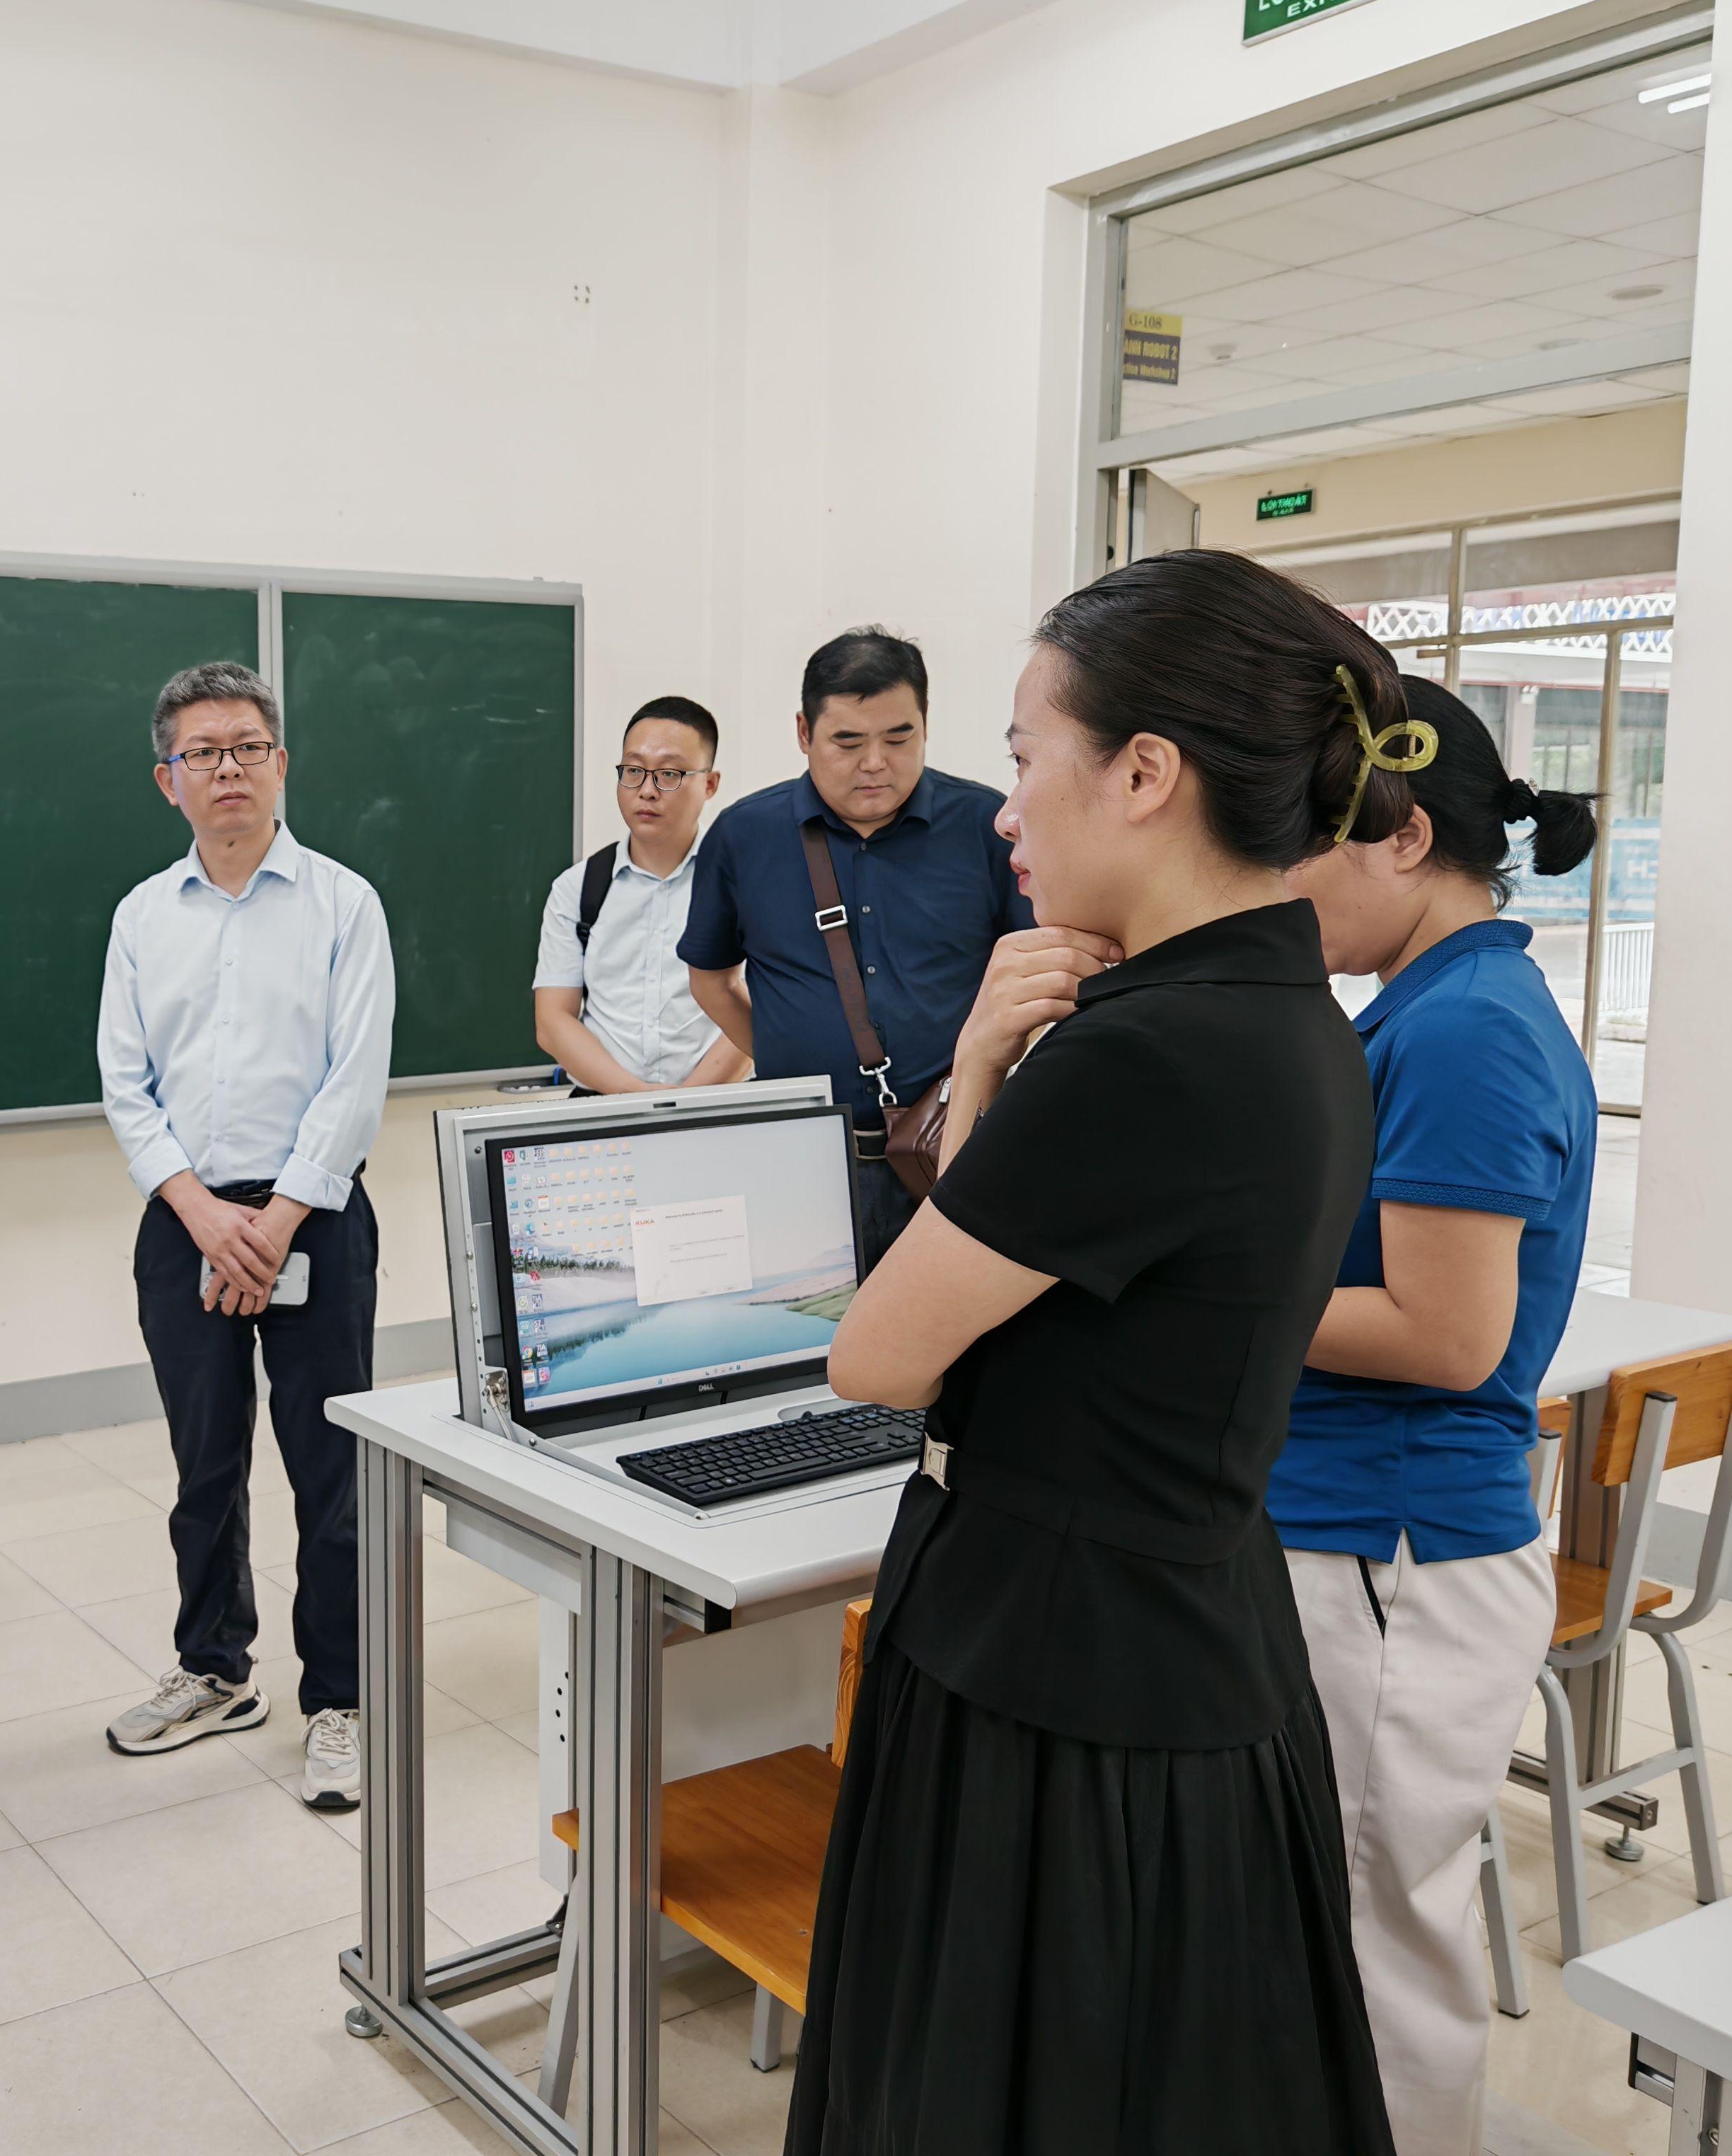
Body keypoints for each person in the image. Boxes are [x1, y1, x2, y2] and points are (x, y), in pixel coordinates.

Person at [788, 549, 1409, 2156]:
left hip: (1056, 1677)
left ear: (1142, 772)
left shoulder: (1147, 1052)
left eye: (1022, 756)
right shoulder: (1289, 1016)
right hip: (1184, 1628)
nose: (1005, 810)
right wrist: (998, 1061)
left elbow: (878, 1353)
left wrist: (988, 1065)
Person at [1274, 677, 1599, 2156]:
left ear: (1401, 837)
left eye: (1301, 850)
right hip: (1361, 1537)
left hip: (1392, 1549)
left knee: (1376, 1948)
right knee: (1340, 1929)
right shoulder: (1424, 1007)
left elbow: (1448, 1335)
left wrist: (1209, 1290)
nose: (1282, 886)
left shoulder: (1466, 1027)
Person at [96, 661, 395, 1809]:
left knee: (332, 1470)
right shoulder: (141, 916)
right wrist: (204, 1215)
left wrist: (273, 1224)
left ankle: (342, 1698)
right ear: (165, 779)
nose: (228, 768)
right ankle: (216, 1668)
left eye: (248, 747)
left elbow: (354, 1081)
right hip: (187, 1219)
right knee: (204, 1464)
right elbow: (126, 1087)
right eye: (203, 752)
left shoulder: (343, 904)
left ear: (282, 764)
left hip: (312, 1216)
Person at [679, 628, 1028, 1266]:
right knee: (810, 1319)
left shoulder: (989, 826)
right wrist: (789, 1063)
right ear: (803, 733)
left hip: (952, 1153)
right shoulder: (744, 835)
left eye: (899, 738)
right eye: (848, 742)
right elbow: (711, 981)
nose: (875, 763)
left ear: (926, 725)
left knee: (947, 1320)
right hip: (801, 1160)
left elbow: (1034, 978)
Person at [531, 696, 748, 1095]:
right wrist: (639, 1099)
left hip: (721, 1104)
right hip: (604, 1108)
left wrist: (687, 1103)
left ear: (710, 784)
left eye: (669, 774)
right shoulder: (578, 888)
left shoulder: (745, 882)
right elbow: (552, 1022)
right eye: (633, 771)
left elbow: (760, 1009)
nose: (647, 791)